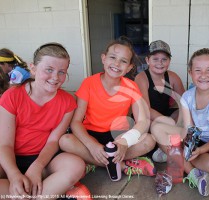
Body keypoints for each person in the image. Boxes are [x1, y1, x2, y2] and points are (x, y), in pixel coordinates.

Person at [59, 36, 156, 181]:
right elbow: (76, 122)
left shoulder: (131, 86)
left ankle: (96, 162)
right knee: (65, 140)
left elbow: (142, 121)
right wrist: (92, 145)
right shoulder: (89, 83)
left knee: (149, 140)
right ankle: (120, 165)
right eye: (113, 57)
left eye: (123, 61)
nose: (117, 63)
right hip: (91, 135)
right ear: (103, 58)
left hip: (118, 137)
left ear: (129, 67)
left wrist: (125, 142)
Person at [0, 43, 85, 199]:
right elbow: (4, 144)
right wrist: (13, 175)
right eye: (49, 70)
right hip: (9, 160)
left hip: (44, 160)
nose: (55, 77)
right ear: (33, 68)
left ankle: (26, 192)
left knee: (76, 165)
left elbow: (53, 141)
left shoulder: (67, 102)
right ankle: (43, 191)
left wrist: (37, 168)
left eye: (62, 72)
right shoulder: (12, 96)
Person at [151, 48, 209, 196]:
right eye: (198, 70)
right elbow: (189, 129)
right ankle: (194, 173)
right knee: (156, 128)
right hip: (196, 139)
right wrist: (190, 147)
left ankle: (176, 157)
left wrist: (200, 150)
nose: (203, 75)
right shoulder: (187, 97)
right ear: (190, 72)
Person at [134, 40, 185, 162]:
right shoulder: (141, 78)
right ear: (147, 60)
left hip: (165, 114)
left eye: (164, 59)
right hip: (149, 117)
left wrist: (178, 119)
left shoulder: (173, 77)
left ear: (169, 61)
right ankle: (166, 148)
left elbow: (184, 102)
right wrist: (168, 122)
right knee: (150, 124)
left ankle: (164, 147)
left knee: (183, 113)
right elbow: (145, 109)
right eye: (155, 59)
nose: (160, 63)